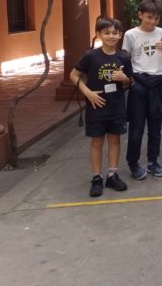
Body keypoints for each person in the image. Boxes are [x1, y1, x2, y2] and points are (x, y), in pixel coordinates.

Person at [70, 18, 133, 197]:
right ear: (98, 34)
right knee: (97, 142)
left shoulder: (124, 57)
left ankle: (112, 175)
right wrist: (87, 92)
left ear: (120, 35)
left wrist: (124, 78)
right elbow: (73, 75)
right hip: (96, 106)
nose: (111, 36)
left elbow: (130, 80)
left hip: (116, 106)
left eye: (115, 33)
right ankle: (96, 177)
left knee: (114, 140)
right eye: (106, 33)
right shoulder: (90, 56)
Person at [123, 0, 162, 179]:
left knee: (155, 127)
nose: (152, 22)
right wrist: (130, 80)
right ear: (140, 14)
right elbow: (126, 60)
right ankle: (133, 163)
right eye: (149, 17)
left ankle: (153, 161)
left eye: (156, 18)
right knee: (136, 128)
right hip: (139, 84)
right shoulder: (130, 35)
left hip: (158, 84)